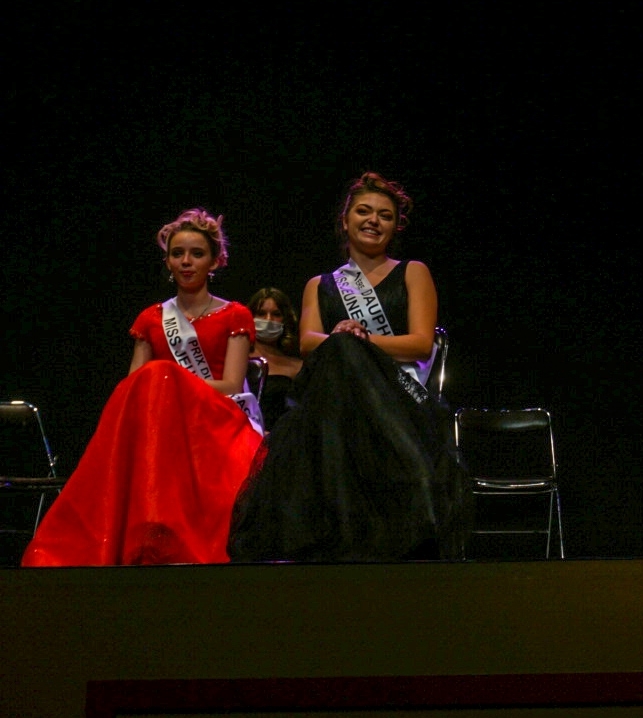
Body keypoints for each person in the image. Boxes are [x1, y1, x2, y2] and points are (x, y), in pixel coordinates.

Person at [229, 172, 470, 562]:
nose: (373, 220)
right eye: (364, 211)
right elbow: (308, 343)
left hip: (401, 396)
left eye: (385, 215)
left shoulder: (413, 272)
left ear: (396, 226)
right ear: (345, 220)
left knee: (343, 348)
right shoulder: (320, 284)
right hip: (338, 399)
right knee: (338, 358)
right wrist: (344, 340)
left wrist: (358, 340)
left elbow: (420, 343)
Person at [23, 209, 263, 566]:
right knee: (151, 383)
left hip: (216, 419)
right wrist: (165, 387)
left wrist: (173, 385)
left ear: (214, 261)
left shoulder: (235, 315)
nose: (186, 262)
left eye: (197, 254)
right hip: (162, 425)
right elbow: (133, 386)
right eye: (177, 253)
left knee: (160, 375)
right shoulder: (151, 319)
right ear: (167, 261)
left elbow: (230, 384)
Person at [247, 287, 302, 432]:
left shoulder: (298, 366)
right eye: (261, 313)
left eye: (276, 314)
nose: (268, 319)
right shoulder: (235, 359)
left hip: (281, 440)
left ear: (286, 318)